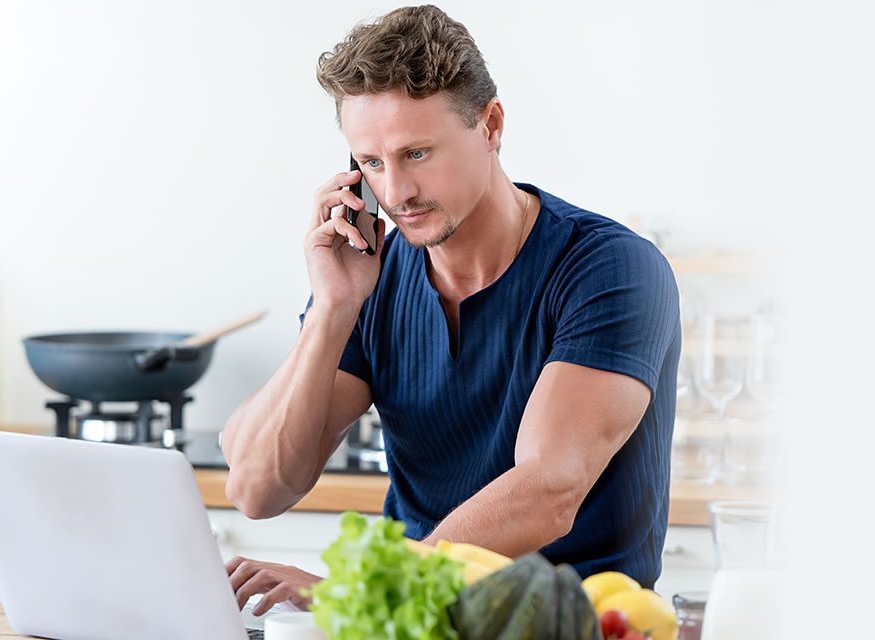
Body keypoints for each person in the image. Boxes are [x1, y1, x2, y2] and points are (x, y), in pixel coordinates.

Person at [219, 5, 680, 616]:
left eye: (416, 154)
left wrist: (364, 593)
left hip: (571, 624)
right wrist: (332, 306)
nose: (395, 193)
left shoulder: (612, 269)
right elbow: (257, 489)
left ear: (490, 125)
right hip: (412, 622)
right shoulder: (373, 279)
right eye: (371, 163)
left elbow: (548, 488)